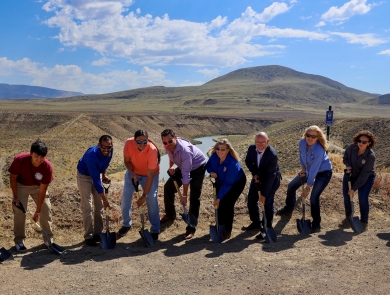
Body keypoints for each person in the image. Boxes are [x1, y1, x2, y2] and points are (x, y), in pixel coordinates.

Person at [276, 125, 332, 233]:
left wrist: (307, 188)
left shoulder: (319, 151)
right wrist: (303, 169)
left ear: (318, 138)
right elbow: (302, 157)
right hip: (308, 169)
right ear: (305, 135)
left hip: (323, 172)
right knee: (291, 186)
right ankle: (288, 208)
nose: (310, 138)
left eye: (313, 137)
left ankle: (316, 223)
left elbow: (314, 171)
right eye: (308, 135)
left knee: (314, 197)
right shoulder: (302, 143)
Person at [160, 129, 207, 240]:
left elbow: (186, 175)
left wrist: (184, 196)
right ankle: (170, 215)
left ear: (175, 138)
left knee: (194, 197)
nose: (167, 144)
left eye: (170, 141)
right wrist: (171, 166)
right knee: (168, 187)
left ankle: (191, 227)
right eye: (165, 142)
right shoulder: (167, 146)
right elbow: (171, 155)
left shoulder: (185, 151)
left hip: (198, 167)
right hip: (183, 165)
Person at [9, 139, 54, 252]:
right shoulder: (20, 160)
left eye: (42, 157)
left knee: (46, 208)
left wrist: (37, 211)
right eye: (36, 156)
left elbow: (42, 191)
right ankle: (19, 241)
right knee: (19, 211)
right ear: (31, 153)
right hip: (21, 185)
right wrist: (15, 197)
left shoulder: (47, 167)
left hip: (38, 187)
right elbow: (13, 178)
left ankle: (48, 239)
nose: (39, 160)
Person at [119, 130, 161, 241]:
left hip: (150, 175)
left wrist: (144, 196)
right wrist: (133, 173)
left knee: (151, 198)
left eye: (144, 141)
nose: (142, 144)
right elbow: (127, 161)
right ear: (134, 140)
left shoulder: (152, 150)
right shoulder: (128, 143)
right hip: (133, 172)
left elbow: (151, 175)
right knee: (126, 196)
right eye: (138, 142)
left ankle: (155, 229)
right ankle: (126, 224)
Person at [206, 139, 246, 240]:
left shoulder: (233, 164)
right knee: (219, 206)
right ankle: (220, 225)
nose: (219, 151)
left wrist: (219, 198)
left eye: (222, 149)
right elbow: (208, 165)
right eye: (217, 148)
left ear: (228, 150)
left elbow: (228, 184)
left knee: (227, 204)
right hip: (220, 180)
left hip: (236, 183)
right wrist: (211, 172)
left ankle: (227, 230)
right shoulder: (214, 156)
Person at [77, 135, 113, 246]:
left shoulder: (110, 151)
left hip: (96, 174)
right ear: (99, 145)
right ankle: (88, 236)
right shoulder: (91, 156)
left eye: (109, 147)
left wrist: (104, 175)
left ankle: (98, 233)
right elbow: (96, 182)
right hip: (84, 176)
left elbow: (106, 163)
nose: (106, 150)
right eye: (104, 147)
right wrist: (105, 200)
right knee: (87, 206)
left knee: (99, 205)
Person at [243, 132, 281, 237]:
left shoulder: (272, 155)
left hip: (271, 181)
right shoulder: (251, 149)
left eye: (262, 142)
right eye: (257, 142)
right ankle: (256, 223)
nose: (260, 145)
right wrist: (254, 174)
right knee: (251, 200)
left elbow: (270, 176)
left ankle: (267, 227)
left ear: (267, 142)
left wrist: (264, 194)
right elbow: (248, 161)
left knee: (267, 203)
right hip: (258, 177)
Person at [339, 130, 376, 232]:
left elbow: (364, 176)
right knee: (347, 197)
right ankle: (349, 218)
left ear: (369, 143)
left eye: (364, 142)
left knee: (362, 198)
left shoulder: (370, 156)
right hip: (350, 174)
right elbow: (345, 157)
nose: (361, 143)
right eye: (359, 141)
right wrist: (348, 165)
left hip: (366, 178)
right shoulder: (352, 147)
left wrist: (354, 188)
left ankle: (364, 222)